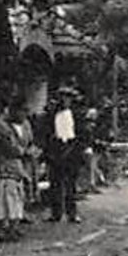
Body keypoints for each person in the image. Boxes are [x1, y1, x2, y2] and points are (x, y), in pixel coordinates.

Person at [0, 97, 32, 241]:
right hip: (2, 165)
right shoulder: (0, 125)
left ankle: (11, 227)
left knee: (12, 197)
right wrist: (24, 152)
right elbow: (10, 146)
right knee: (2, 198)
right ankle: (0, 228)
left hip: (12, 166)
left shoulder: (14, 125)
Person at [46, 87, 81, 223]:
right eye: (62, 97)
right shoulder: (52, 115)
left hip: (71, 149)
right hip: (56, 149)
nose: (65, 100)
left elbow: (81, 134)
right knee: (55, 184)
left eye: (68, 98)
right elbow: (47, 134)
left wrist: (76, 149)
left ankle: (72, 213)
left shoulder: (76, 115)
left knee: (71, 185)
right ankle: (56, 213)